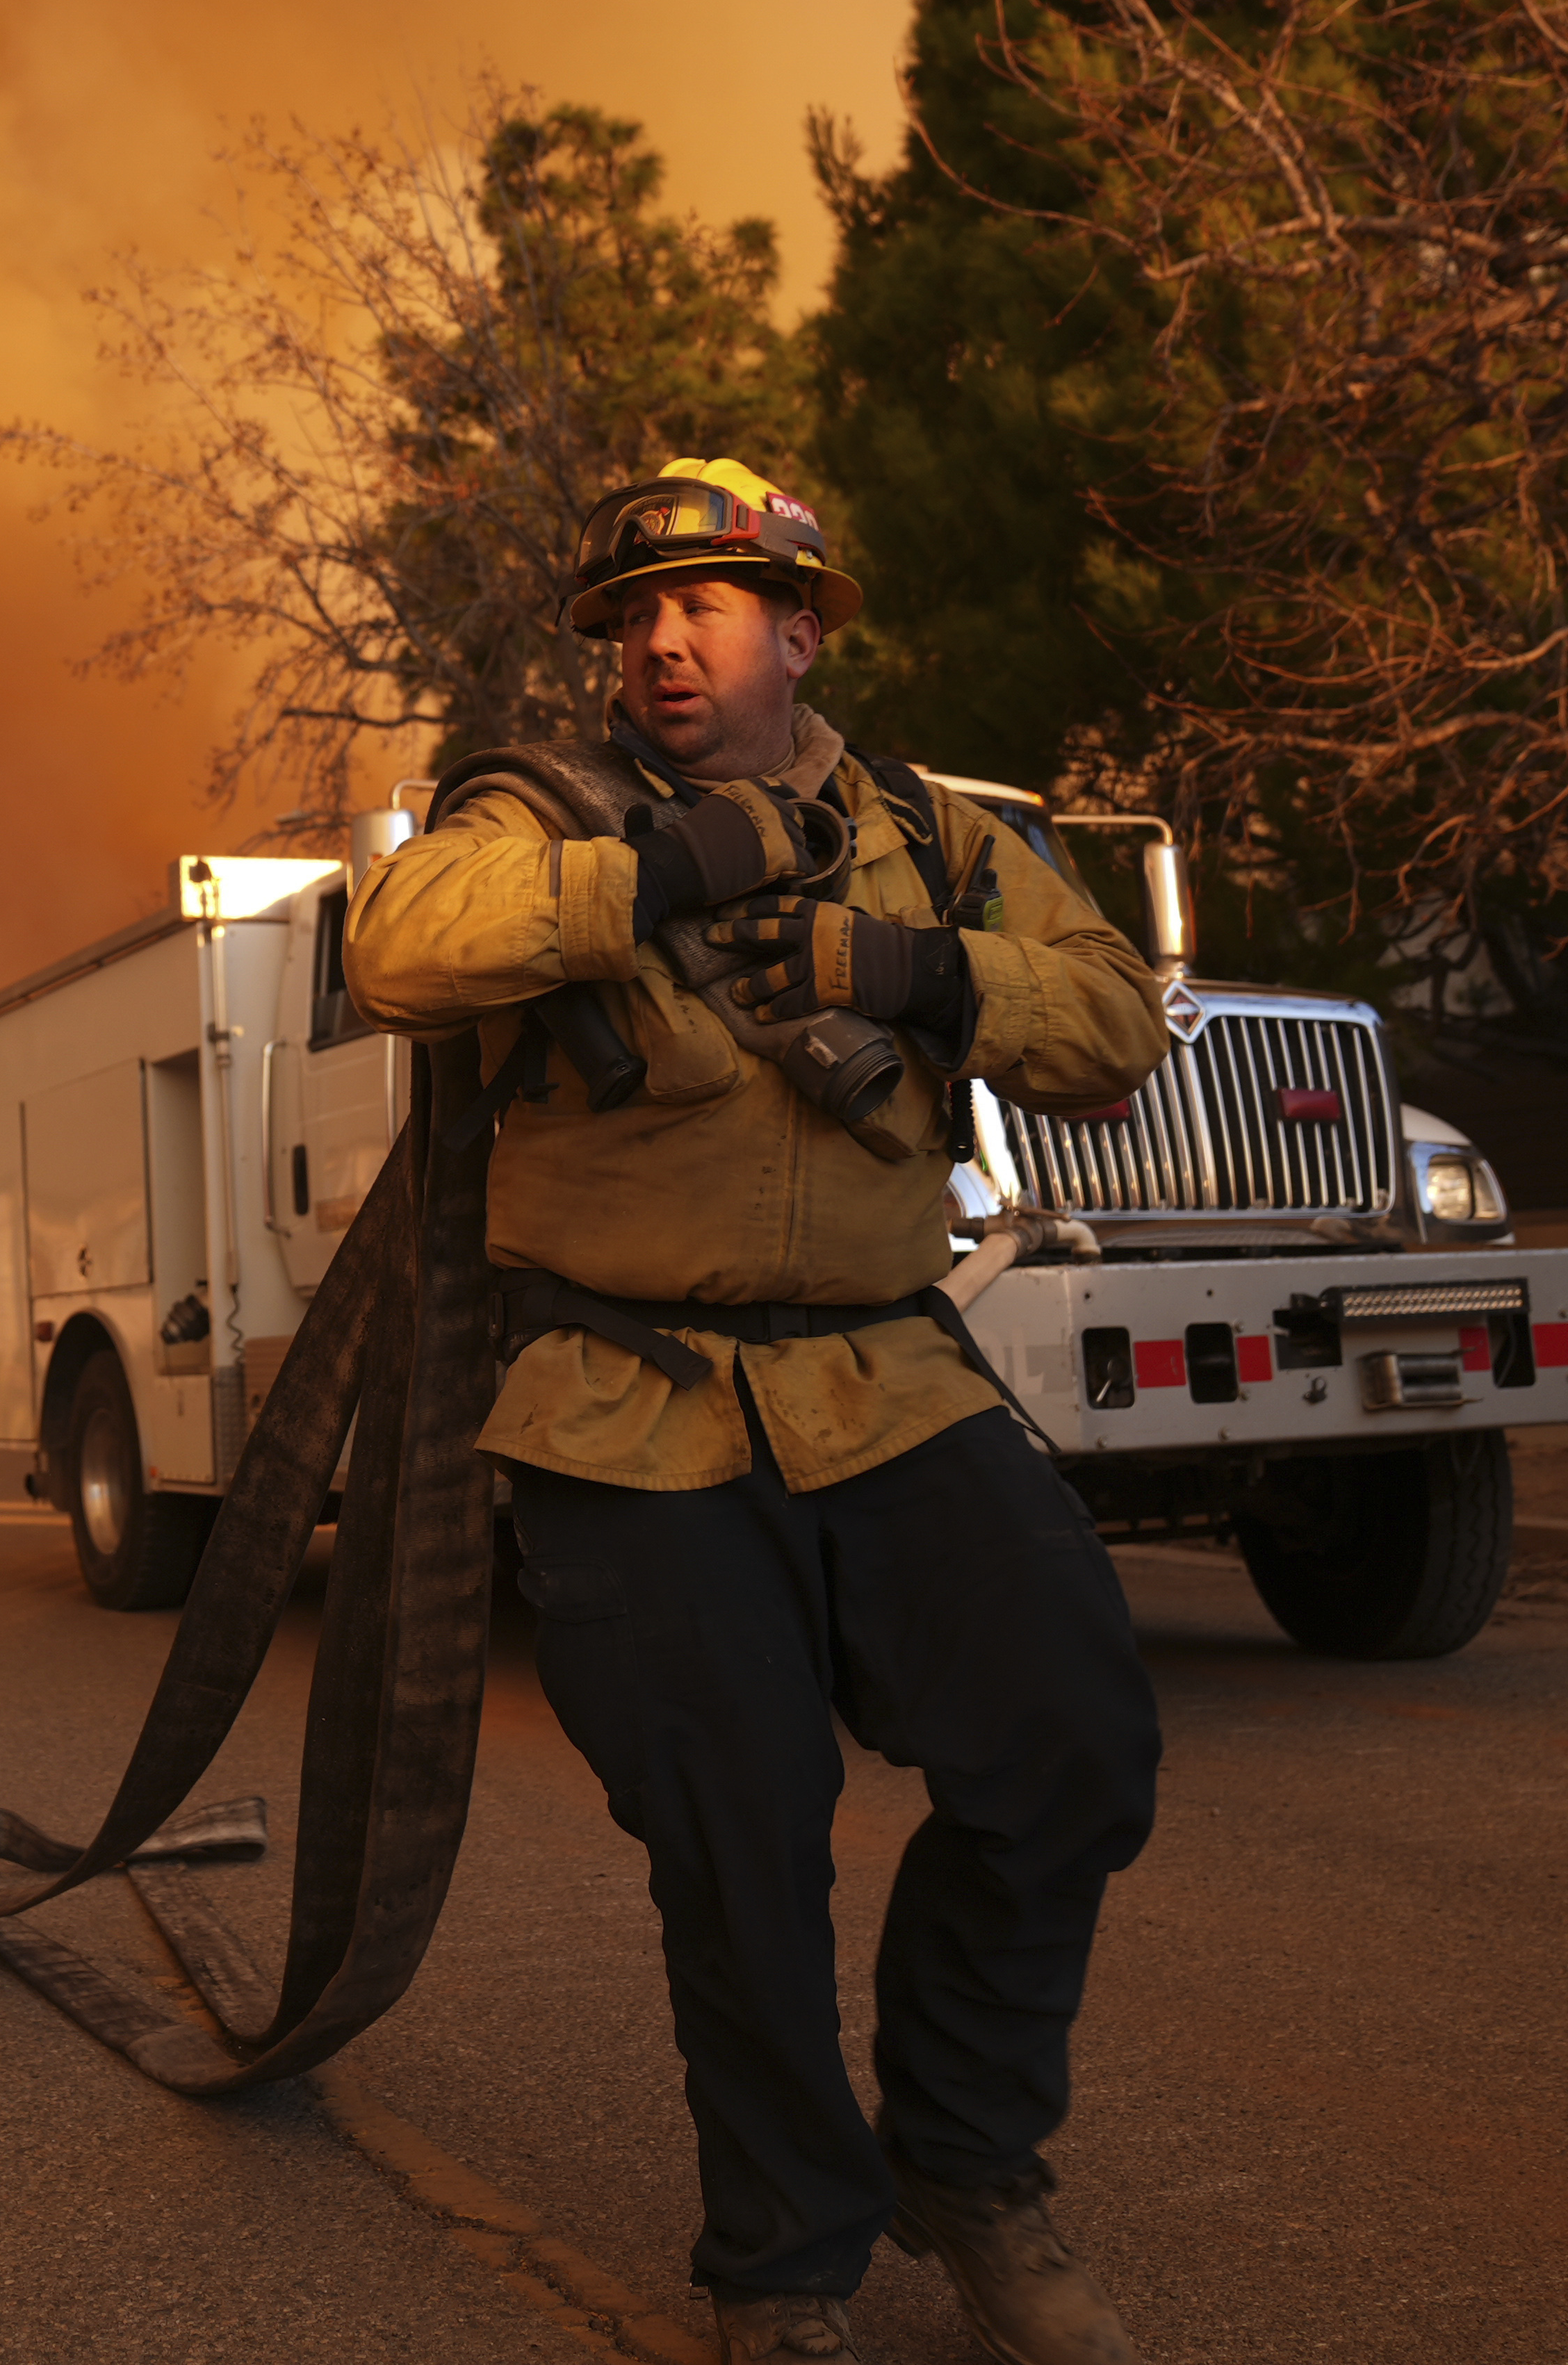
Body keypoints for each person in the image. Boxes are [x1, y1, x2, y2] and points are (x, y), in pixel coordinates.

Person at [344, 459, 1172, 2365]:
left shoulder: (938, 841)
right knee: (741, 1839)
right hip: (625, 1406)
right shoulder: (536, 815)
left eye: (705, 605)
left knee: (1071, 1741)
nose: (658, 641)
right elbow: (397, 949)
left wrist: (916, 972)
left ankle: (969, 2167)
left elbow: (1119, 1026)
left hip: (883, 1373)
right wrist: (660, 872)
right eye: (632, 616)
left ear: (799, 634)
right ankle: (786, 2268)